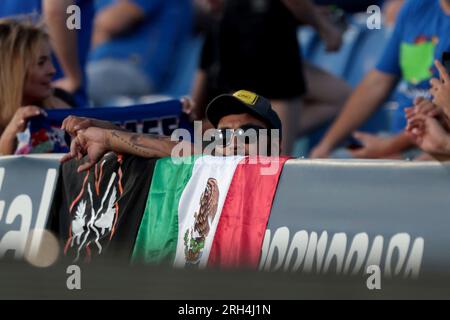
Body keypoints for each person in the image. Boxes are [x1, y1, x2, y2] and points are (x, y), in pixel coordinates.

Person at [186, 0, 343, 156]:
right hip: (266, 39)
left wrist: (311, 11)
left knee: (342, 97)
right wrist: (324, 26)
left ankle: (256, 136)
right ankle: (255, 139)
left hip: (245, 33)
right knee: (273, 164)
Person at [311, 0, 450, 160]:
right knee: (328, 164)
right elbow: (378, 81)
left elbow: (444, 113)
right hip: (406, 141)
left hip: (428, 148)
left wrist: (390, 146)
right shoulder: (415, 8)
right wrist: (326, 145)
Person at [61, 90, 282, 172]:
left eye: (248, 133)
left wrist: (108, 136)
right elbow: (164, 144)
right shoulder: (209, 166)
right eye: (223, 135)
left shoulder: (291, 173)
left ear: (276, 146)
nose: (233, 142)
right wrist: (101, 129)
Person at [87, 0, 193, 106]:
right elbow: (91, 36)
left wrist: (99, 25)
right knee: (75, 80)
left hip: (138, 70)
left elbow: (111, 21)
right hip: (101, 66)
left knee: (78, 84)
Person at [0, 0, 95, 107]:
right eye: (41, 62)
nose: (51, 70)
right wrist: (73, 77)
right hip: (56, 87)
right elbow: (57, 12)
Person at [0, 19, 73, 155]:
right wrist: (10, 135)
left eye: (50, 60)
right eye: (41, 63)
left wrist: (70, 124)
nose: (52, 70)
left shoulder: (61, 100)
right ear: (11, 71)